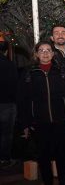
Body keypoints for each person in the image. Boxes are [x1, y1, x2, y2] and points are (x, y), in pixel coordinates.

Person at [18, 41, 65, 185]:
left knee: (61, 154)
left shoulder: (62, 72)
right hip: (39, 123)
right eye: (41, 50)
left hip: (60, 121)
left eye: (48, 50)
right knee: (43, 156)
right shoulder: (28, 74)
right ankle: (47, 182)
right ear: (36, 54)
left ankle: (63, 181)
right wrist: (25, 123)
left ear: (52, 53)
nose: (45, 53)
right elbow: (22, 101)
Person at [0, 37, 18, 169]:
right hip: (7, 103)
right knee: (6, 133)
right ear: (6, 51)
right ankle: (4, 159)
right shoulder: (9, 64)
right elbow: (15, 85)